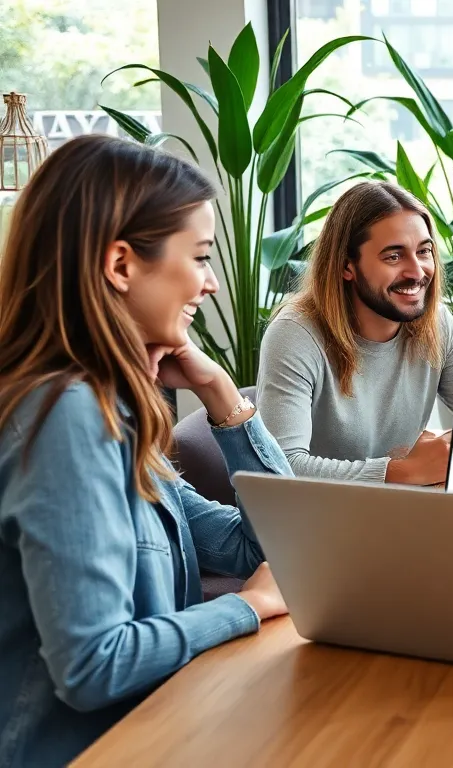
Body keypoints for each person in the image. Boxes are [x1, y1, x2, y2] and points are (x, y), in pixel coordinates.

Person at [0, 135, 291, 767]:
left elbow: (266, 549)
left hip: (155, 732)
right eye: (200, 256)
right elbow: (93, 665)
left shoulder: (111, 411)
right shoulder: (66, 417)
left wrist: (222, 395)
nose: (211, 283)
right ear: (121, 265)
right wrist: (249, 606)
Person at [257, 181, 453, 486]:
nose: (417, 272)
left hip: (401, 507)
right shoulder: (295, 334)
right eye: (394, 256)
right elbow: (282, 466)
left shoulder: (437, 324)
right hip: (319, 513)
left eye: (424, 251)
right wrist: (403, 472)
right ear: (346, 266)